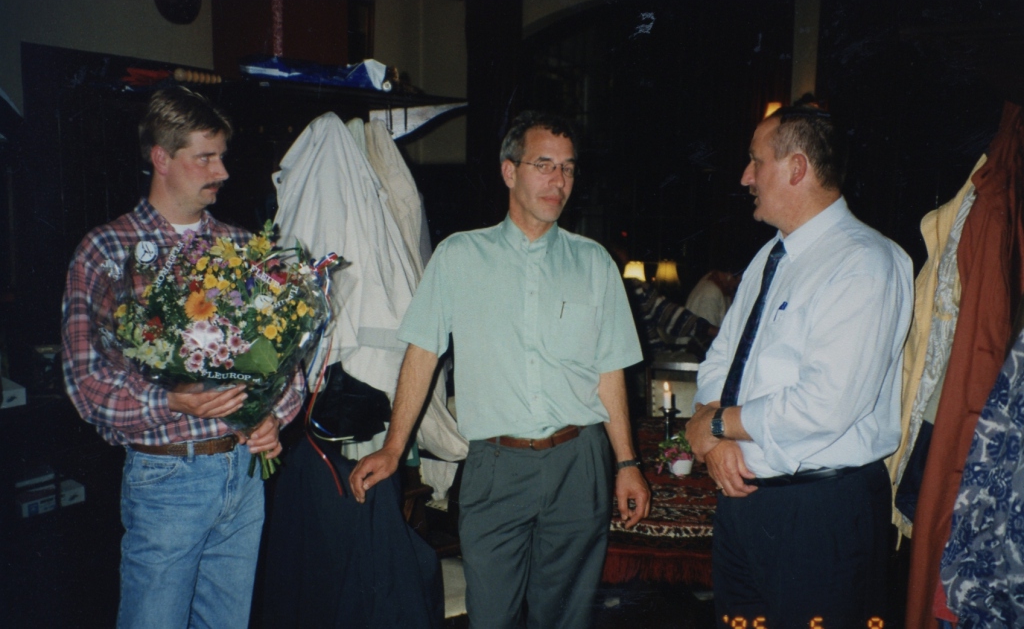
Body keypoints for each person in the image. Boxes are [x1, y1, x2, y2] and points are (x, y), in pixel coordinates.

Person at [349, 111, 651, 628]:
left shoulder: (595, 263)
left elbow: (610, 371)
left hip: (579, 461)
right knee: (491, 615)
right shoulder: (459, 256)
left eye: (568, 168)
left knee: (566, 617)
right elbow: (421, 354)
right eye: (544, 165)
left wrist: (627, 463)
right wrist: (394, 447)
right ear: (509, 171)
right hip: (495, 466)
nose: (558, 180)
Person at [61, 87, 304, 629]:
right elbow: (86, 382)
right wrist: (171, 400)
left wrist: (272, 416)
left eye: (222, 156)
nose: (222, 171)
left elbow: (289, 363)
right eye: (206, 157)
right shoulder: (107, 250)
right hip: (168, 475)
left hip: (244, 475)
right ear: (161, 157)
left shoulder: (243, 249)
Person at [685, 106, 913, 627]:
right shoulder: (770, 257)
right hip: (745, 503)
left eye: (755, 161)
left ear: (796, 168)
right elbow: (722, 358)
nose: (745, 177)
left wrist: (716, 425)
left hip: (820, 514)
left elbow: (825, 405)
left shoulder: (865, 262)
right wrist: (716, 438)